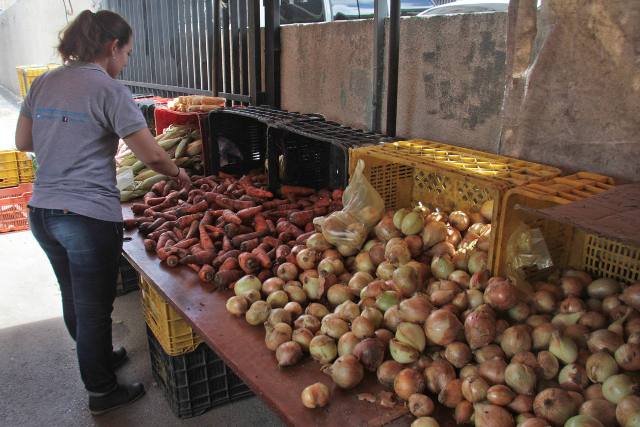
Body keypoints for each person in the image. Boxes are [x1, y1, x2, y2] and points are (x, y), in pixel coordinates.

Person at [14, 10, 190, 415]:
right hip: (87, 216)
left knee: (74, 297)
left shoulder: (44, 82)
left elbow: (24, 140)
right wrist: (179, 174)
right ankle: (102, 391)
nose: (125, 62)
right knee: (95, 307)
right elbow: (151, 155)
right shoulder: (110, 90)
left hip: (43, 211)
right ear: (112, 48)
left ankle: (99, 359)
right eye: (126, 53)